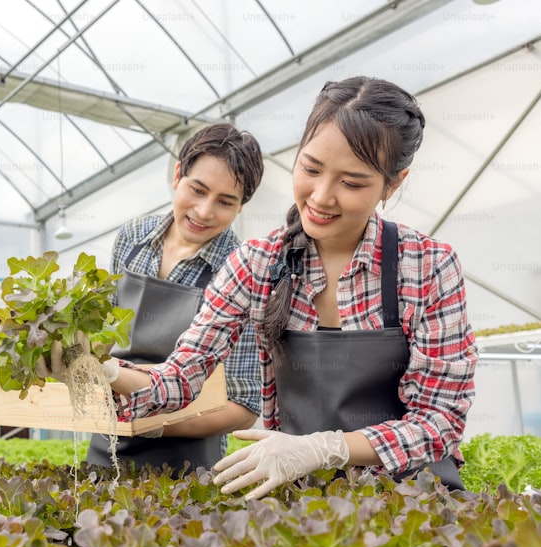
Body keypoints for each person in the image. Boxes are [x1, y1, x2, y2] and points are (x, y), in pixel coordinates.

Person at [108, 76, 478, 499]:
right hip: (303, 503)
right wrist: (108, 373)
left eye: (352, 183)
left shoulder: (426, 266)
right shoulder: (256, 264)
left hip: (413, 502)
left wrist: (326, 448)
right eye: (310, 169)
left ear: (392, 184)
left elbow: (440, 422)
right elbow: (179, 379)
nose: (321, 197)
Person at [84, 122, 266, 475]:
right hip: (106, 442)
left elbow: (243, 404)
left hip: (187, 463)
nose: (203, 211)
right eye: (197, 190)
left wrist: (156, 425)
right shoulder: (132, 239)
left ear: (241, 208)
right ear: (178, 174)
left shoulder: (241, 271)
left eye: (225, 202)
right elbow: (104, 341)